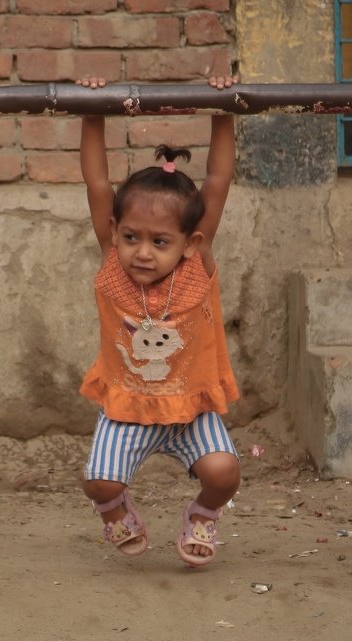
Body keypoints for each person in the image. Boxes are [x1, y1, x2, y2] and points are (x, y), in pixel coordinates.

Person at [77, 75, 241, 568]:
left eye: (160, 242)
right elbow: (97, 185)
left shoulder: (196, 266)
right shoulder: (113, 264)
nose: (142, 252)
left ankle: (202, 514)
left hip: (192, 410)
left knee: (224, 473)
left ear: (190, 243)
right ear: (115, 233)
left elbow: (217, 182)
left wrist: (223, 110)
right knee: (98, 482)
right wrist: (92, 110)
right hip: (128, 407)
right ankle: (115, 510)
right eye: (131, 237)